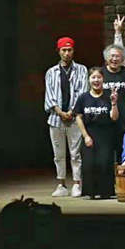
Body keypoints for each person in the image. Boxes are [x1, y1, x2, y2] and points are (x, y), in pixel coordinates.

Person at [45, 36, 88, 197]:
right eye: (64, 50)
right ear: (58, 51)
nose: (67, 53)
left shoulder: (81, 70)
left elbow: (83, 92)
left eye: (69, 50)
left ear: (73, 51)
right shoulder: (51, 72)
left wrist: (71, 111)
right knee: (59, 154)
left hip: (75, 118)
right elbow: (49, 94)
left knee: (76, 153)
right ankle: (61, 184)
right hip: (56, 118)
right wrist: (59, 112)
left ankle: (77, 183)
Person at [74, 67, 119, 199]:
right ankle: (91, 192)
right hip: (89, 134)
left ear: (103, 79)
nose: (96, 80)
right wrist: (85, 136)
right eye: (93, 77)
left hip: (105, 134)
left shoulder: (109, 95)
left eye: (99, 77)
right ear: (89, 79)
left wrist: (114, 103)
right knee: (89, 164)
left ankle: (106, 192)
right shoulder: (83, 98)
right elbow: (78, 117)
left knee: (104, 162)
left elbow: (114, 117)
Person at [101, 43, 125, 161]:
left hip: (123, 118)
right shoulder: (101, 73)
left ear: (122, 58)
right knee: (106, 150)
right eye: (112, 56)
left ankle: (122, 172)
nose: (114, 59)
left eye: (117, 56)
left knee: (123, 149)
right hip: (104, 117)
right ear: (106, 57)